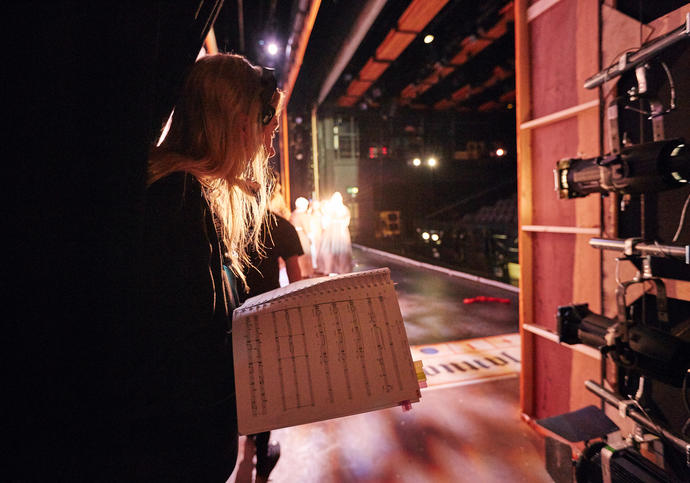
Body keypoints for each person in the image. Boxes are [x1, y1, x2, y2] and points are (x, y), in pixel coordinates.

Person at [137, 53, 282, 481]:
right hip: (175, 457)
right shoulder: (178, 202)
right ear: (239, 124)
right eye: (265, 130)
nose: (267, 148)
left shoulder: (182, 195)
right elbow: (188, 358)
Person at [240, 207, 303, 482]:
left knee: (242, 375)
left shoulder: (227, 221)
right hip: (266, 313)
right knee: (264, 383)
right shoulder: (279, 225)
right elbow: (295, 280)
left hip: (233, 311)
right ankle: (263, 456)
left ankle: (249, 434)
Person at [317, 191, 353, 274]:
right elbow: (346, 222)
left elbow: (325, 223)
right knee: (342, 252)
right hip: (341, 232)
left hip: (331, 232)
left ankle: (330, 269)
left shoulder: (329, 208)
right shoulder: (344, 209)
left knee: (329, 251)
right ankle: (342, 269)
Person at [290, 196, 315, 278]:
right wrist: (310, 237)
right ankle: (305, 272)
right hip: (302, 236)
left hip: (294, 236)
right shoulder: (303, 215)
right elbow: (307, 228)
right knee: (305, 254)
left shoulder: (293, 214)